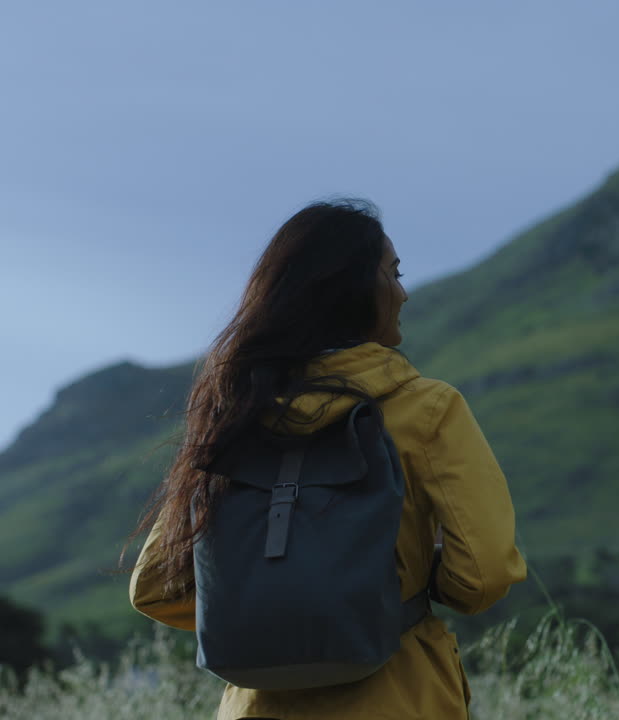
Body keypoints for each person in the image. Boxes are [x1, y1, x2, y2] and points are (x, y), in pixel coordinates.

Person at [126, 199, 526, 719]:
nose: (403, 292)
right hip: (400, 696)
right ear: (355, 286)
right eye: (394, 272)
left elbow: (155, 588)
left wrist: (270, 609)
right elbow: (483, 575)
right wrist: (377, 595)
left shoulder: (233, 415)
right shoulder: (427, 408)